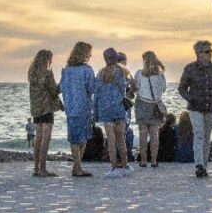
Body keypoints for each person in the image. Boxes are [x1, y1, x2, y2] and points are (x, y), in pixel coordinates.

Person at [178, 40, 212, 178]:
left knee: (206, 137)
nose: (210, 54)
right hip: (195, 107)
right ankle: (198, 164)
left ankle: (204, 165)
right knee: (199, 134)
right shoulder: (190, 68)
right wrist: (190, 98)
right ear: (198, 53)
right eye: (207, 51)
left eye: (211, 51)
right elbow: (181, 87)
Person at [59, 42, 97, 177]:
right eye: (89, 53)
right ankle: (77, 167)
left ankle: (77, 166)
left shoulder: (67, 69)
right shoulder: (87, 70)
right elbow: (92, 88)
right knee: (83, 137)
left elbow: (61, 88)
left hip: (70, 107)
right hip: (84, 107)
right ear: (84, 54)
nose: (90, 55)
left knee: (74, 137)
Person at [93, 47, 130, 178]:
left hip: (105, 108)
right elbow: (124, 89)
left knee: (111, 139)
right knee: (121, 138)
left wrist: (95, 113)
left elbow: (96, 94)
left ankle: (113, 167)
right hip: (119, 107)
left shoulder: (100, 73)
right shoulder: (121, 71)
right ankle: (125, 165)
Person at [28, 49, 64, 177]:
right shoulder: (47, 73)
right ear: (47, 60)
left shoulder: (32, 72)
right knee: (46, 139)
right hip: (47, 108)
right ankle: (43, 168)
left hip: (36, 109)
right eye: (50, 59)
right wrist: (63, 81)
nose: (52, 61)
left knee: (38, 138)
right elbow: (54, 91)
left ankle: (36, 168)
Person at [134, 51, 167, 168]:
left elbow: (136, 88)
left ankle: (143, 160)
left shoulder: (139, 73)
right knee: (154, 135)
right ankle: (153, 160)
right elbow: (163, 89)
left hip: (142, 104)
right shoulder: (160, 74)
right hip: (155, 106)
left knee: (143, 134)